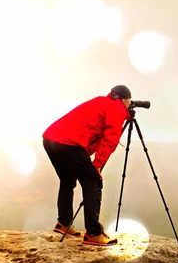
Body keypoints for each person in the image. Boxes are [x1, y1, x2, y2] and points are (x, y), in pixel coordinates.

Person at [42, 85, 132, 246]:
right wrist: (97, 165)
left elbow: (88, 134)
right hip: (68, 143)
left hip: (50, 139)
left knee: (67, 180)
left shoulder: (101, 102)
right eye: (129, 101)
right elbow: (110, 139)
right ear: (125, 100)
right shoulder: (116, 109)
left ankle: (63, 223)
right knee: (93, 182)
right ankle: (93, 233)